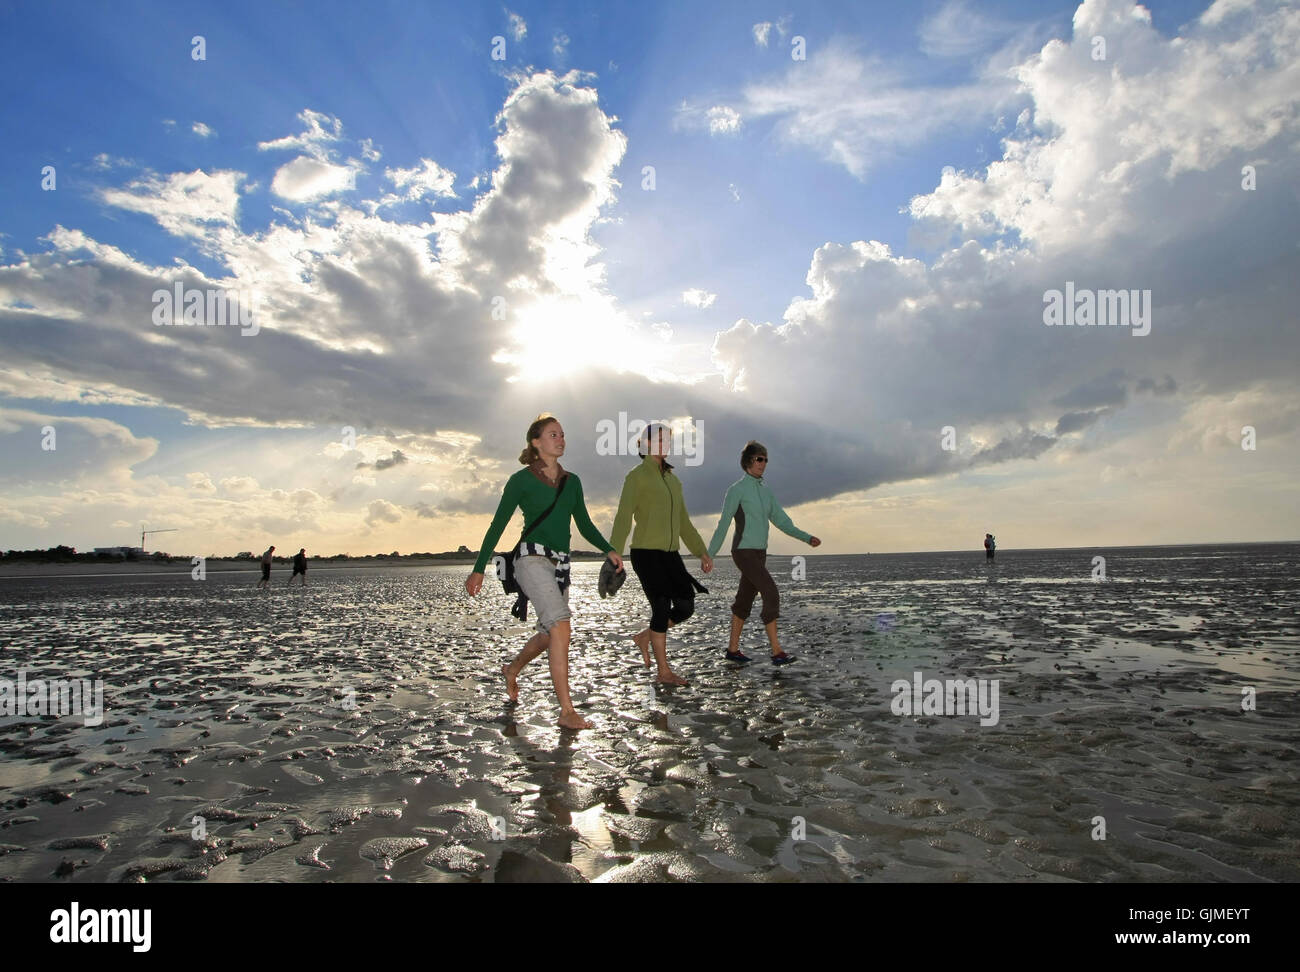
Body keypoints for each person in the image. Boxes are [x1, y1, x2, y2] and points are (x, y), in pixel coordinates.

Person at [465, 414, 623, 731]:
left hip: (561, 565)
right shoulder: (520, 481)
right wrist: (479, 568)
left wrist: (609, 549)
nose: (561, 439)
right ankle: (566, 711)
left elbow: (585, 524)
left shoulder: (572, 482)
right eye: (553, 434)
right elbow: (498, 525)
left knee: (549, 634)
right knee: (562, 626)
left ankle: (512, 669)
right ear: (536, 442)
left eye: (563, 434)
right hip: (530, 560)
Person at [609, 423, 712, 686]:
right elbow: (623, 516)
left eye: (668, 440)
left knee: (686, 605)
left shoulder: (673, 480)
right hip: (645, 553)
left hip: (671, 554)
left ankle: (646, 636)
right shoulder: (636, 476)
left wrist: (701, 551)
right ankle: (663, 671)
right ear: (645, 444)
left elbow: (684, 522)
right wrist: (614, 550)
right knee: (661, 605)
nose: (665, 444)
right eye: (660, 439)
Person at [707, 441, 820, 666]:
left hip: (760, 553)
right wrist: (709, 554)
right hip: (743, 552)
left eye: (766, 459)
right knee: (771, 592)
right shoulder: (736, 490)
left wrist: (807, 537)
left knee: (744, 600)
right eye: (759, 459)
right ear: (748, 461)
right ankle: (777, 651)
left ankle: (732, 649)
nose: (763, 463)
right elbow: (723, 524)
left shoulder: (766, 492)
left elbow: (782, 521)